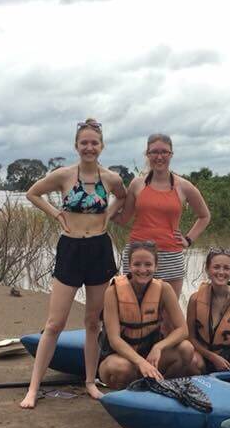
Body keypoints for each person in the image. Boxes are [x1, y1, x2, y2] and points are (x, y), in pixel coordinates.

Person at [19, 119, 127, 407]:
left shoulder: (111, 178)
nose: (89, 147)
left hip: (99, 249)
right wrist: (56, 214)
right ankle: (33, 387)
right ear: (76, 146)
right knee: (55, 323)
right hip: (70, 248)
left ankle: (90, 382)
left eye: (94, 143)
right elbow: (33, 193)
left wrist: (108, 216)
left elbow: (123, 197)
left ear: (102, 146)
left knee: (93, 322)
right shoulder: (64, 175)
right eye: (84, 143)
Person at [114, 133, 210, 299]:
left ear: (171, 154)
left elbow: (205, 216)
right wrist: (100, 211)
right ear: (147, 154)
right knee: (133, 309)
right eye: (154, 152)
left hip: (170, 255)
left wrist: (188, 239)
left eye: (164, 152)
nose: (159, 157)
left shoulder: (184, 186)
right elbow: (123, 219)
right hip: (137, 255)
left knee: (168, 313)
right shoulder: (137, 184)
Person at [98, 240, 197, 390]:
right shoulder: (112, 292)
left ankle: (160, 387)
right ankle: (127, 396)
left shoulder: (164, 289)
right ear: (129, 266)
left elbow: (182, 330)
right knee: (121, 368)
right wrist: (140, 362)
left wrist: (159, 347)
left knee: (186, 349)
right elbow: (114, 340)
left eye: (148, 265)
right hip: (120, 359)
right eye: (137, 264)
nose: (142, 270)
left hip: (150, 356)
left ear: (156, 266)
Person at [188, 248, 230, 384]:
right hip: (205, 355)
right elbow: (191, 337)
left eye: (226, 268)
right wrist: (212, 357)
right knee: (193, 361)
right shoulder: (195, 299)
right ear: (207, 269)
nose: (221, 272)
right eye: (216, 267)